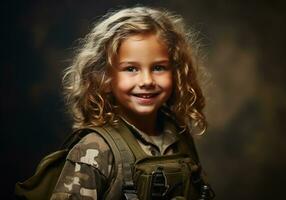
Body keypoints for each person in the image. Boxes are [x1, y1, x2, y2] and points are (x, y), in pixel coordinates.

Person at [51, 6, 213, 200]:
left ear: (176, 73)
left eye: (159, 67)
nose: (147, 81)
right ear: (105, 78)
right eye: (131, 69)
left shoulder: (178, 135)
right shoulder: (94, 149)